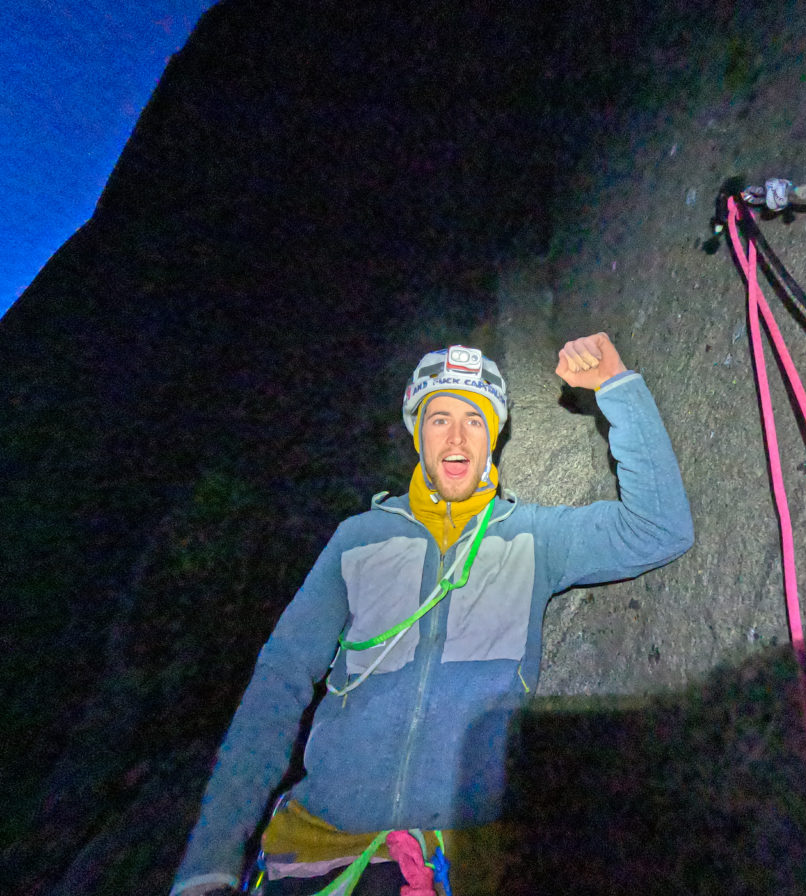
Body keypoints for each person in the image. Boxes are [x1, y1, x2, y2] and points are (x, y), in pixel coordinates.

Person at [171, 332, 694, 896]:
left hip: (459, 862)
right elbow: (279, 680)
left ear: (494, 436)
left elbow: (658, 529)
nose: (457, 435)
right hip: (317, 854)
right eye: (438, 417)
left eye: (475, 418)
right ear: (417, 434)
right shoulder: (358, 540)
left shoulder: (535, 537)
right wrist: (209, 861)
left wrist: (617, 386)